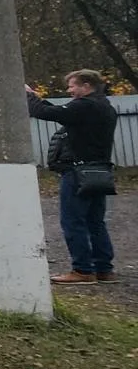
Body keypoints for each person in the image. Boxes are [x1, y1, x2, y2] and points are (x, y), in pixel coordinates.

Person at [28, 69, 120, 283]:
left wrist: (29, 96)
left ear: (86, 86)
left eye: (72, 86)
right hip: (99, 171)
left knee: (73, 221)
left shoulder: (84, 106)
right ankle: (104, 269)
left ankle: (82, 270)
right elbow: (61, 112)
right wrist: (37, 98)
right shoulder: (104, 107)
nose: (69, 90)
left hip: (78, 173)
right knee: (95, 221)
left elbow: (45, 113)